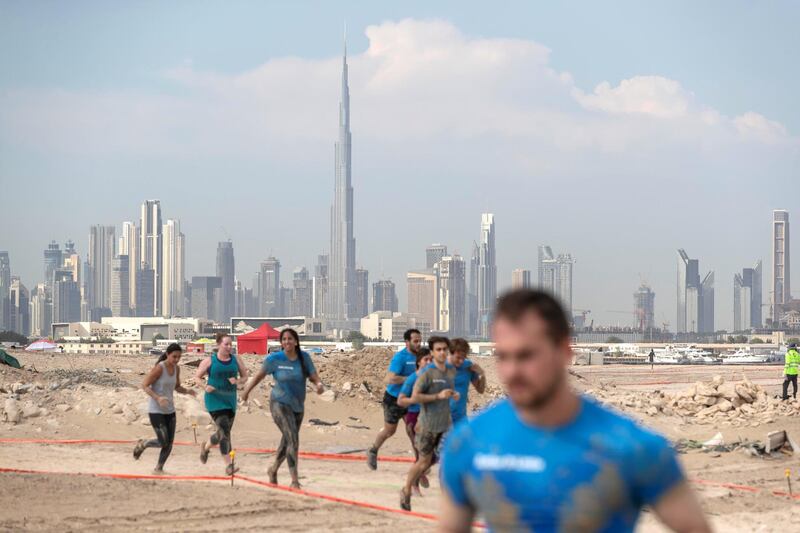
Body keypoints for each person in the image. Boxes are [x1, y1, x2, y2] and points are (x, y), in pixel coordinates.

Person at [439, 289, 711, 532]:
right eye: (503, 357)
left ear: (565, 351)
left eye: (526, 356)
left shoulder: (632, 448)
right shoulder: (469, 443)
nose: (512, 371)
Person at [242, 328, 325, 488]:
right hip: (279, 403)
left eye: (290, 339)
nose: (287, 342)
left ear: (296, 341)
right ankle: (294, 480)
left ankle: (273, 470)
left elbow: (313, 376)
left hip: (297, 406)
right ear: (281, 342)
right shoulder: (274, 359)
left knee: (287, 440)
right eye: (284, 339)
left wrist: (319, 385)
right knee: (293, 438)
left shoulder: (304, 358)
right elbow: (259, 376)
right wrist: (246, 391)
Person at [400, 336, 458, 511]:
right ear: (432, 352)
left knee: (448, 460)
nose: (442, 352)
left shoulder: (448, 372)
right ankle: (407, 489)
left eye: (444, 349)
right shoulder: (425, 374)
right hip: (427, 425)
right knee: (423, 462)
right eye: (438, 349)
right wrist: (437, 397)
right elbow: (415, 397)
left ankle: (449, 499)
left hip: (445, 425)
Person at [133, 343, 196, 473]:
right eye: (174, 357)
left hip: (170, 410)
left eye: (179, 357)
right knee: (163, 441)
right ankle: (144, 444)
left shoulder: (177, 369)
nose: (177, 360)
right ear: (167, 354)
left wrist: (188, 391)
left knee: (170, 443)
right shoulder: (159, 368)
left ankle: (159, 468)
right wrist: (158, 398)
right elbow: (144, 385)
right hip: (156, 410)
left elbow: (177, 387)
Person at [367, 328, 423, 470]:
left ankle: (419, 464)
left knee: (413, 432)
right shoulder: (400, 358)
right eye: (415, 341)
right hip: (393, 399)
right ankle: (373, 450)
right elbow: (389, 378)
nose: (418, 344)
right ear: (407, 342)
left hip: (410, 401)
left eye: (420, 341)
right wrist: (411, 379)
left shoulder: (421, 357)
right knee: (389, 431)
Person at [196, 332, 248, 475]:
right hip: (214, 401)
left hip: (230, 400)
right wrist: (205, 387)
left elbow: (245, 376)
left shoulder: (236, 360)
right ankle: (229, 465)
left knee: (222, 433)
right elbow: (197, 377)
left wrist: (237, 382)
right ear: (219, 344)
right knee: (225, 432)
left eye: (231, 344)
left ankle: (205, 447)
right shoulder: (210, 361)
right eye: (226, 344)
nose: (229, 347)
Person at [397, 348, 433, 494]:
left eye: (431, 360)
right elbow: (401, 400)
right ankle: (414, 486)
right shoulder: (412, 378)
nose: (429, 362)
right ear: (418, 362)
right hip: (413, 419)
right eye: (426, 360)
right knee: (420, 456)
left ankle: (422, 472)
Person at [448, 338, 486, 426]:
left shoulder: (468, 366)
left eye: (464, 357)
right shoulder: (439, 367)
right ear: (450, 353)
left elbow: (481, 390)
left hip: (461, 419)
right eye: (458, 358)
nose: (461, 361)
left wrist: (482, 374)